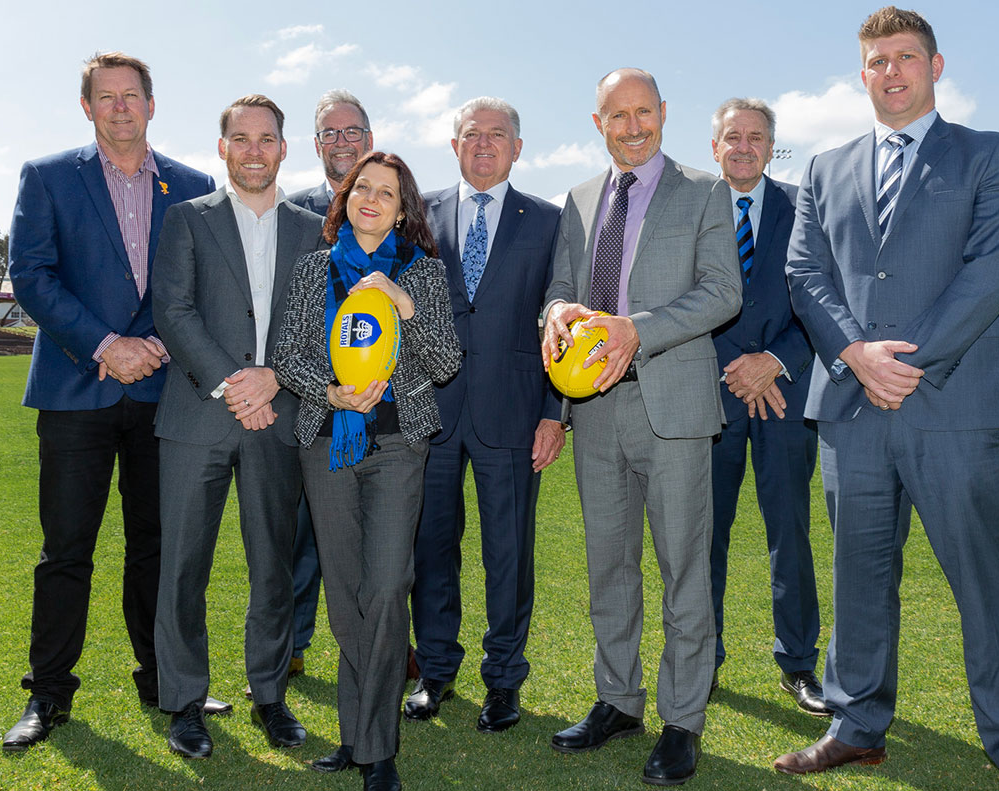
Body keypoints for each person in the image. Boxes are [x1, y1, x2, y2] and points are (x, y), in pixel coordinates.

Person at [774, 9, 999, 791]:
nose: (891, 71)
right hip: (853, 408)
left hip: (957, 404)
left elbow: (991, 271)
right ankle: (857, 724)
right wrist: (855, 356)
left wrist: (906, 363)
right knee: (859, 577)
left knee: (983, 577)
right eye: (877, 60)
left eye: (906, 57)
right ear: (861, 72)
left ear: (936, 66)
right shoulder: (826, 168)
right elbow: (805, 275)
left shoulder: (989, 154)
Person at [3, 51, 217, 751]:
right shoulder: (47, 177)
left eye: (133, 96)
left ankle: (165, 680)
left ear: (152, 107)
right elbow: (31, 276)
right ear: (88, 106)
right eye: (107, 96)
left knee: (158, 546)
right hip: (75, 390)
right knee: (66, 548)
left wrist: (148, 343)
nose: (121, 106)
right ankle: (48, 693)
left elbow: (196, 285)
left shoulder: (192, 186)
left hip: (164, 394)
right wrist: (105, 345)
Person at [541, 68, 741, 786]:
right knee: (608, 568)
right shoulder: (580, 197)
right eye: (616, 115)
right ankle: (617, 700)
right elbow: (560, 290)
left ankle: (682, 718)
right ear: (598, 121)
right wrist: (557, 312)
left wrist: (639, 329)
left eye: (643, 113)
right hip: (595, 410)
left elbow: (724, 291)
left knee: (683, 569)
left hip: (674, 409)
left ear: (663, 113)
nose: (631, 126)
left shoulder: (705, 189)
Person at [273, 151, 461, 791]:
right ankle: (360, 739)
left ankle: (376, 747)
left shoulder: (425, 275)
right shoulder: (313, 272)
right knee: (345, 593)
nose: (372, 200)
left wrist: (404, 305)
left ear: (404, 208)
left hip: (397, 446)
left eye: (387, 192)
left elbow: (443, 364)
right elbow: (288, 357)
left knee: (386, 586)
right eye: (362, 189)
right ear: (346, 199)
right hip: (325, 442)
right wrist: (327, 393)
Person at [151, 95, 324, 759]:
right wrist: (234, 383)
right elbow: (174, 310)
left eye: (267, 139)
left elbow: (318, 325)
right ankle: (185, 702)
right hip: (198, 417)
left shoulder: (313, 230)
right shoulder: (187, 220)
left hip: (275, 419)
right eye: (241, 138)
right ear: (222, 147)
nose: (254, 149)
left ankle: (271, 695)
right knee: (183, 567)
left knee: (273, 568)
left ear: (284, 148)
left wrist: (273, 379)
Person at [406, 97, 564, 734]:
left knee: (509, 552)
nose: (484, 145)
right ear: (454, 144)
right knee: (432, 548)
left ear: (517, 148)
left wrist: (557, 413)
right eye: (472, 134)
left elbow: (565, 315)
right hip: (434, 411)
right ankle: (436, 671)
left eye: (497, 135)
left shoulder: (551, 221)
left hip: (515, 412)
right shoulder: (418, 215)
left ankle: (504, 680)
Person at [705, 98, 827, 715]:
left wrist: (774, 361)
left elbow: (822, 295)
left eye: (756, 137)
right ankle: (704, 657)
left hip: (785, 392)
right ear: (715, 146)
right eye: (733, 137)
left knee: (790, 531)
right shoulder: (692, 208)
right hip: (711, 395)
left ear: (771, 145)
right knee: (705, 536)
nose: (744, 147)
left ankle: (800, 664)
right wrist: (736, 367)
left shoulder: (804, 205)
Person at [282, 88, 375, 679]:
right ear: (316, 145)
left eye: (352, 131)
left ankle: (383, 644)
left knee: (385, 535)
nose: (342, 142)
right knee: (302, 536)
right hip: (311, 399)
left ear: (370, 137)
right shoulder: (295, 214)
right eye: (330, 133)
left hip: (385, 401)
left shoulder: (398, 206)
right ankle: (290, 646)